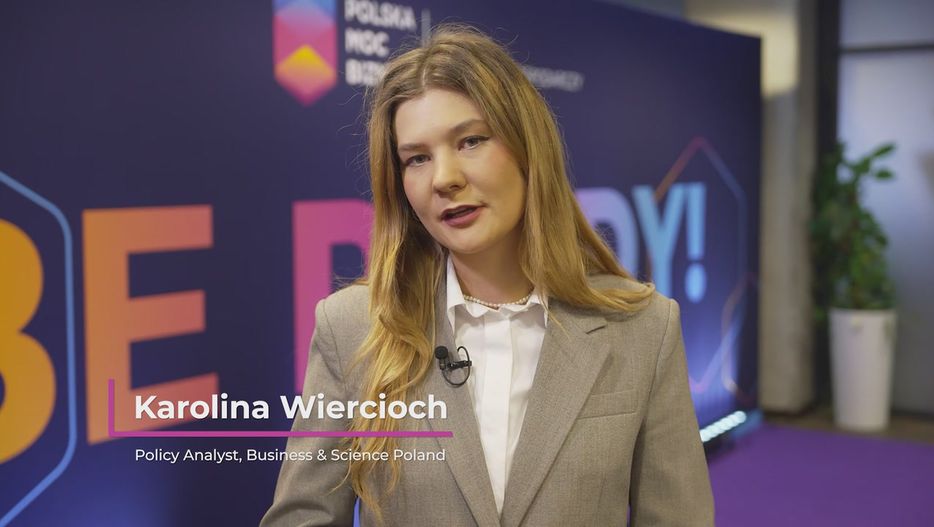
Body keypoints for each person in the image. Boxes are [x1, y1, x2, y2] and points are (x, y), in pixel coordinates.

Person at [261, 24, 714, 527]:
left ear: (527, 149)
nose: (444, 178)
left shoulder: (644, 328)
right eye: (417, 158)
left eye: (471, 141)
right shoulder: (351, 328)